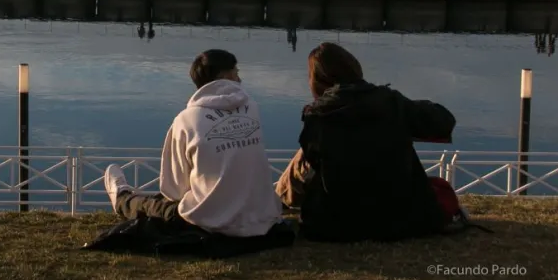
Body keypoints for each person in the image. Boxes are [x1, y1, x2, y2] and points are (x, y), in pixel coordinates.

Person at [276, 42, 456, 243]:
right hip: (401, 220)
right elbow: (444, 122)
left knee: (304, 157)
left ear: (317, 79)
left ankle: (276, 202)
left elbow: (313, 168)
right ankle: (276, 200)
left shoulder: (317, 115)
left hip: (333, 225)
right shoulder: (391, 102)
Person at [103, 49, 288, 243]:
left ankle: (122, 198)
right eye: (236, 72)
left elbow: (174, 190)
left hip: (210, 222)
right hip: (260, 218)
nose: (239, 79)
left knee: (158, 208)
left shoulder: (186, 120)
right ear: (223, 76)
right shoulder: (252, 108)